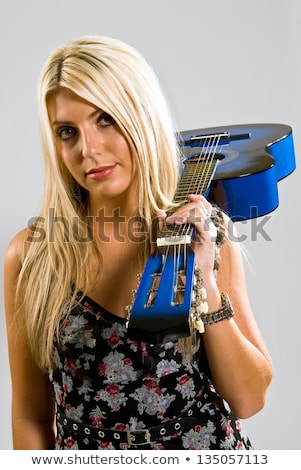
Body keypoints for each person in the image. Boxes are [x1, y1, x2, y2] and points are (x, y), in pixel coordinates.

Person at [4, 35, 273, 450]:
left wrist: (207, 280)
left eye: (106, 119)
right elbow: (28, 414)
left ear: (140, 117)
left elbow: (249, 399)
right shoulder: (31, 255)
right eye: (67, 132)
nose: (88, 150)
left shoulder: (203, 232)